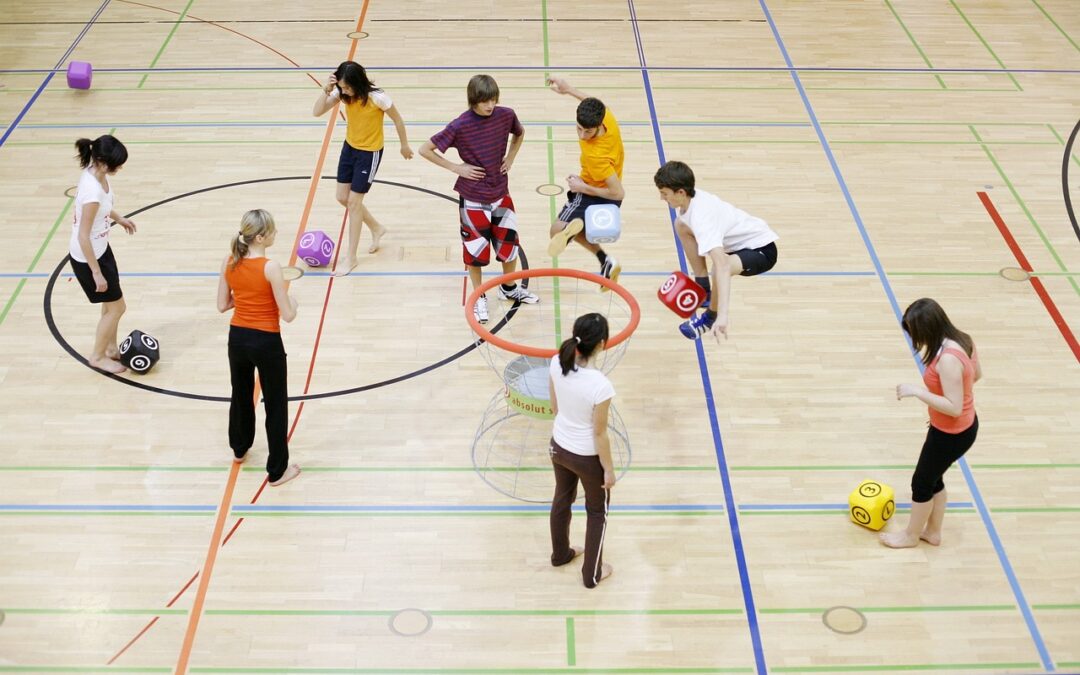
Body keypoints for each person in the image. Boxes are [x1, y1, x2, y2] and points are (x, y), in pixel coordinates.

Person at [419, 74, 539, 324]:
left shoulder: (506, 115)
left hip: (501, 195)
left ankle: (508, 289)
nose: (490, 105)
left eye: (494, 99)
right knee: (475, 253)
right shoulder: (460, 125)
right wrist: (456, 167)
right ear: (473, 100)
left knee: (509, 246)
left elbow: (519, 133)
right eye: (485, 101)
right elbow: (424, 149)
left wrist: (511, 157)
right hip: (473, 199)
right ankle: (478, 297)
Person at [882, 298, 981, 548]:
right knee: (934, 478)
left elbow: (954, 407)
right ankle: (933, 532)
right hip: (959, 428)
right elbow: (976, 374)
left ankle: (911, 536)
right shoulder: (963, 340)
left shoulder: (947, 359)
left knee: (922, 483)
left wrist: (918, 391)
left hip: (951, 433)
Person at [216, 209, 301, 487]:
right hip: (266, 341)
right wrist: (294, 303)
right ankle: (278, 471)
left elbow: (222, 305)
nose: (276, 235)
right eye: (274, 231)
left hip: (237, 338)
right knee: (275, 404)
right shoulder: (270, 267)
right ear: (261, 237)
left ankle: (239, 448)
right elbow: (287, 314)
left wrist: (244, 299)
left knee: (240, 393)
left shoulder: (229, 262)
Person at [654, 161, 778, 340]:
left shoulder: (702, 219)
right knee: (681, 225)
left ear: (681, 192)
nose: (662, 198)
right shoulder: (691, 201)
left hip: (761, 250)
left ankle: (709, 319)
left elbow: (723, 267)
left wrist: (723, 316)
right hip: (740, 245)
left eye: (664, 194)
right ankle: (703, 289)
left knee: (719, 267)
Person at [313, 61, 413, 276]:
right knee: (342, 197)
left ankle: (351, 257)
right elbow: (317, 112)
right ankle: (377, 228)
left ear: (358, 83)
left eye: (347, 87)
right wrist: (326, 90)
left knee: (354, 202)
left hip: (370, 154)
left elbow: (398, 120)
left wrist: (404, 145)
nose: (344, 90)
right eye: (342, 87)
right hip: (350, 148)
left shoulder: (378, 97)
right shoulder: (343, 94)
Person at [548, 313, 616, 588]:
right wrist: (609, 470)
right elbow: (599, 434)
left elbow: (555, 408)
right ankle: (592, 574)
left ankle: (561, 554)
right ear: (602, 343)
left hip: (558, 447)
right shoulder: (600, 385)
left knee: (562, 499)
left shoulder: (556, 362)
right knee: (597, 513)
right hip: (587, 458)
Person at [68, 135, 137, 374]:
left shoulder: (95, 172)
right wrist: (96, 272)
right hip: (89, 258)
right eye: (115, 164)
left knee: (111, 305)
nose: (118, 168)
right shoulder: (92, 192)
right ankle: (97, 356)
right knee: (118, 308)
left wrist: (119, 218)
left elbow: (103, 207)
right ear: (101, 161)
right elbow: (83, 236)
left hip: (101, 250)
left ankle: (109, 348)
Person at [546, 77, 624, 284]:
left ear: (598, 126)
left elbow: (618, 193)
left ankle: (577, 228)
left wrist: (582, 186)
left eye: (587, 131)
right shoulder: (607, 116)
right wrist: (569, 89)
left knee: (556, 232)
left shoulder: (596, 155)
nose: (582, 135)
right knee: (567, 230)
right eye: (578, 128)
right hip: (601, 187)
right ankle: (605, 260)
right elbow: (592, 102)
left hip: (596, 192)